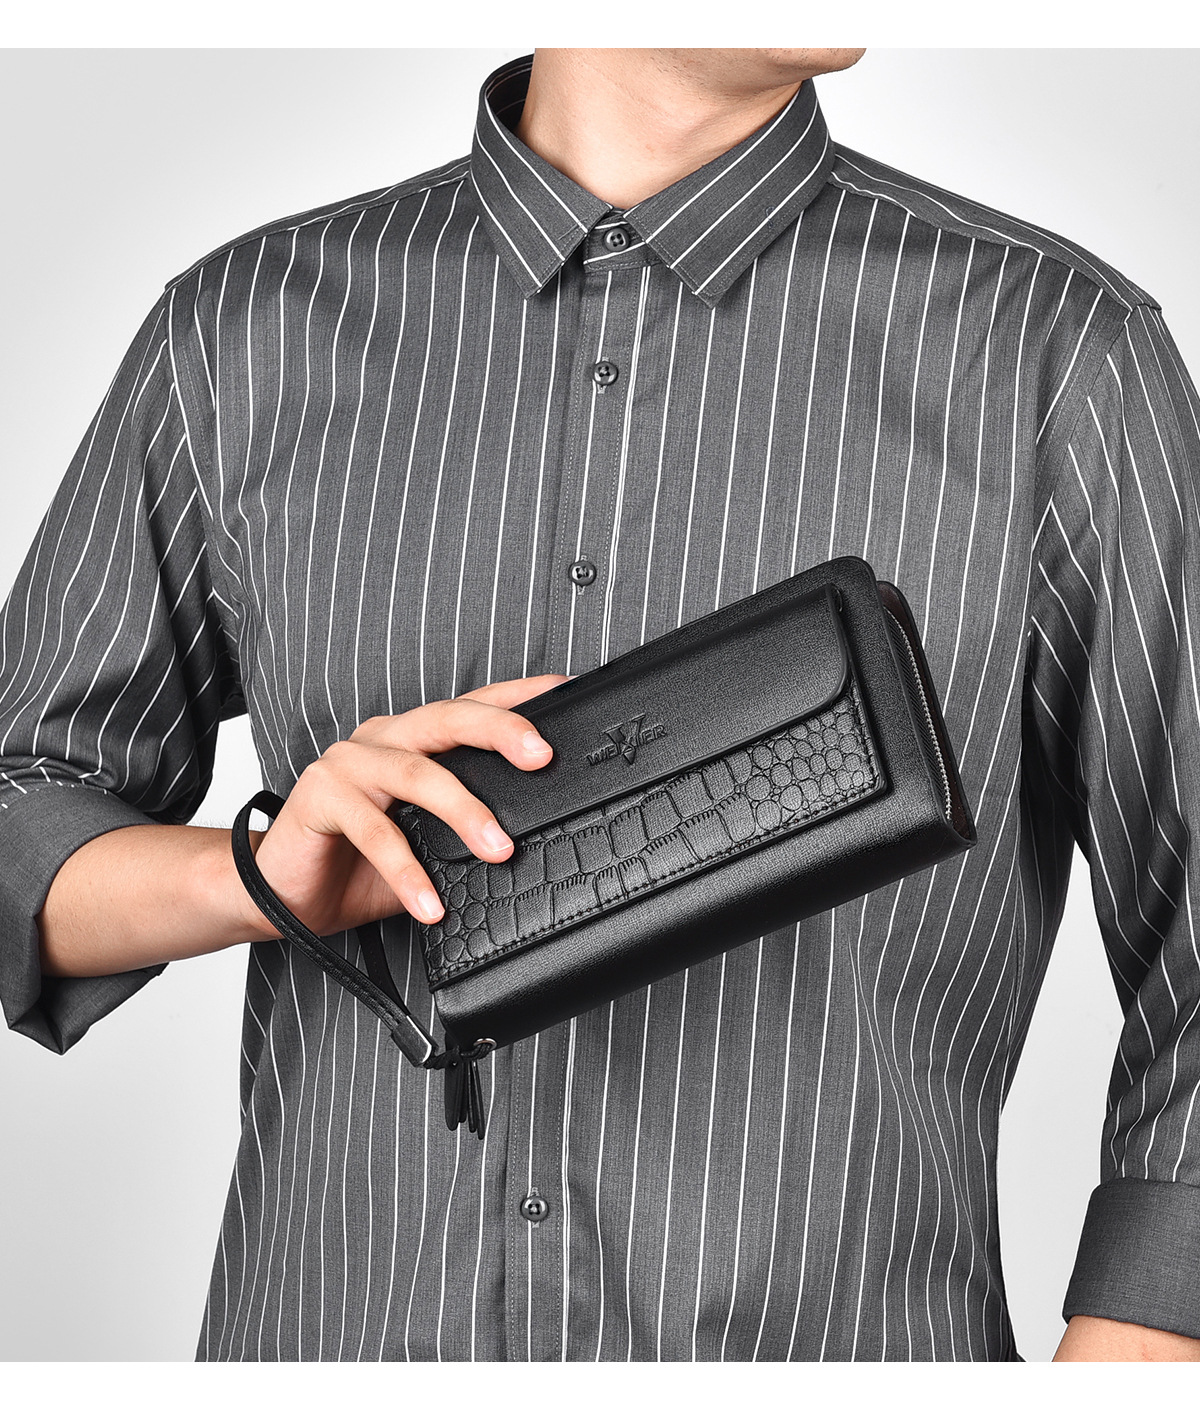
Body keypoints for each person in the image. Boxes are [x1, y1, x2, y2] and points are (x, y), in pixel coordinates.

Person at [2, 46, 1199, 1364]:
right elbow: (20, 805)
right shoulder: (243, 335)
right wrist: (259, 876)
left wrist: (1135, 1359)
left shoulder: (1056, 354)